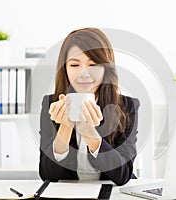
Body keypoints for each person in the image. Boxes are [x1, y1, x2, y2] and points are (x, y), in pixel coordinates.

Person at [39, 27, 140, 186]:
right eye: (74, 65)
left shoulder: (126, 106)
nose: (83, 74)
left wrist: (88, 132)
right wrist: (65, 128)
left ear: (106, 68)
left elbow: (123, 175)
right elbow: (48, 175)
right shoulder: (51, 105)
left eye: (93, 64)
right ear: (64, 68)